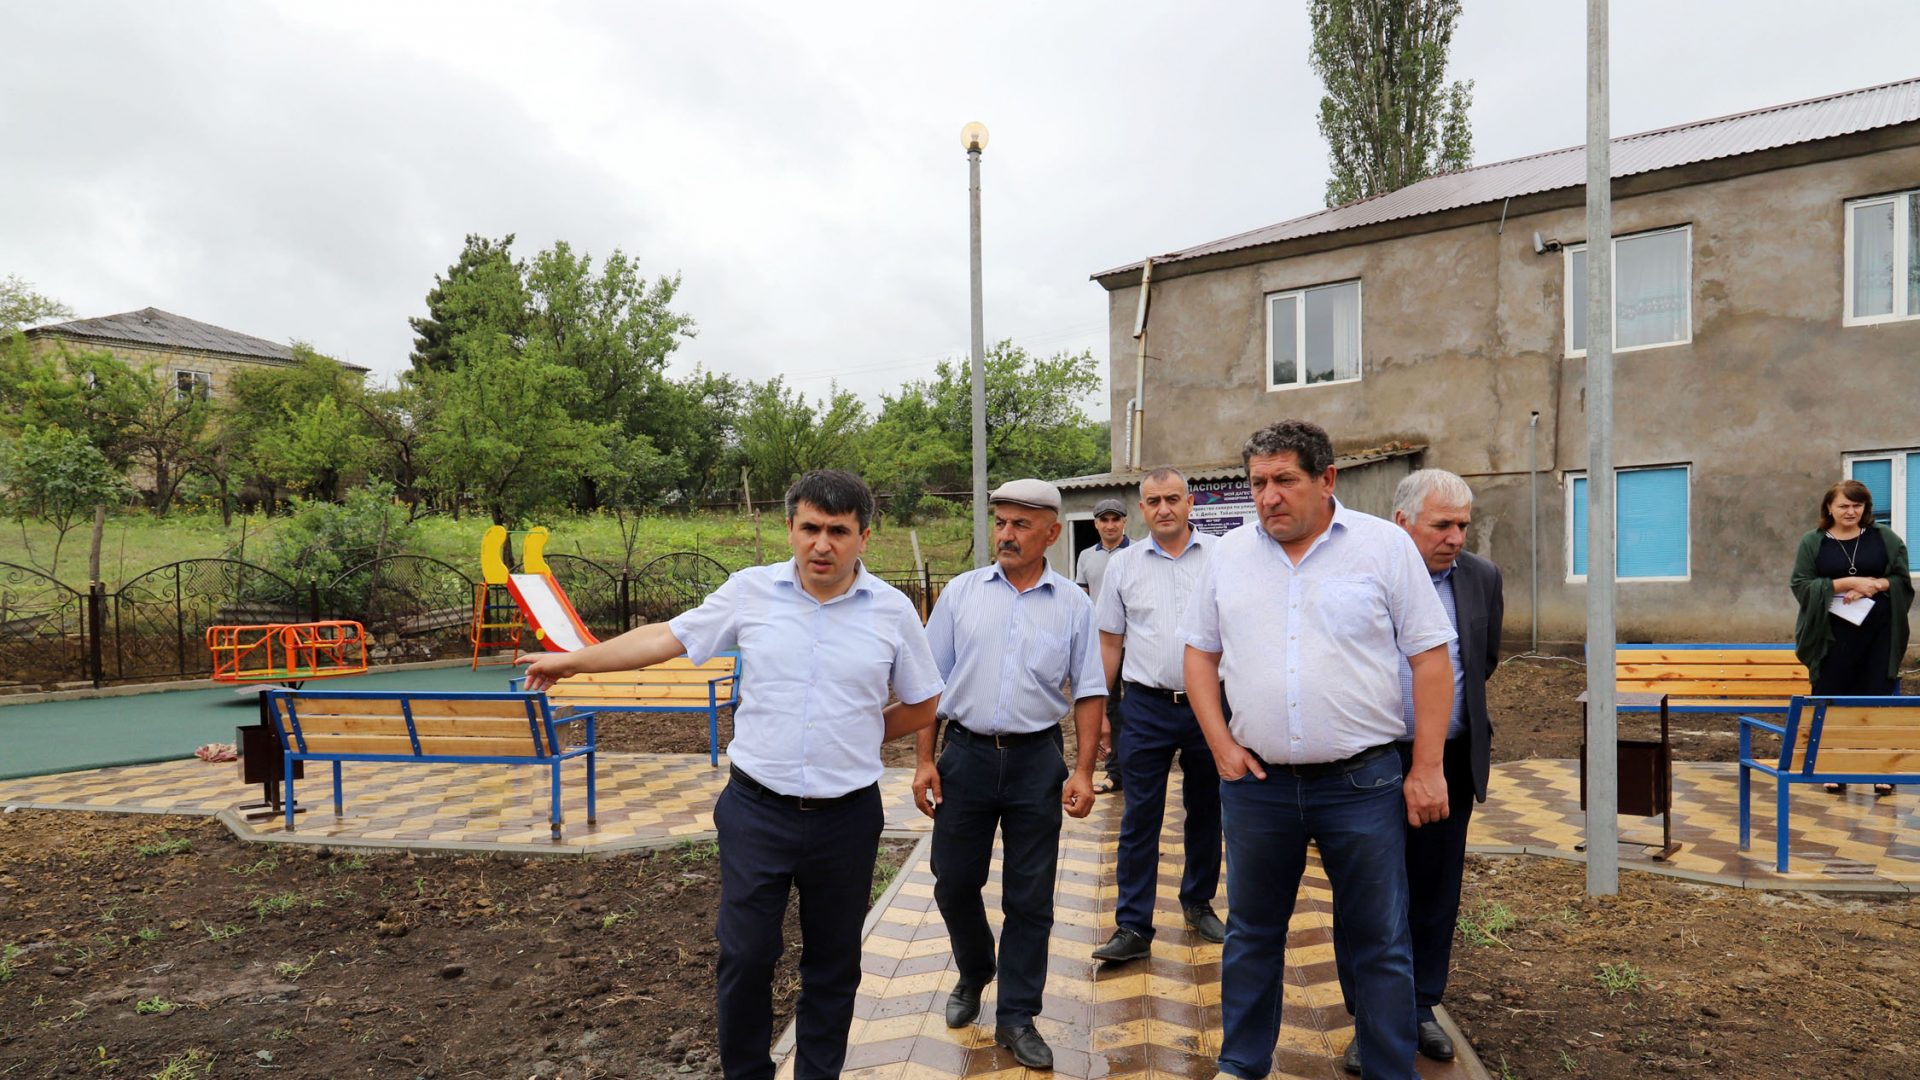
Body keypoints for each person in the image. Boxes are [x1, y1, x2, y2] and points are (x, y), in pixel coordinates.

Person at [522, 470, 943, 1080]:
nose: (821, 545)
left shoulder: (892, 610)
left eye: (838, 531)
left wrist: (852, 733)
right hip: (757, 811)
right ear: (790, 529)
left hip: (846, 818)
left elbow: (924, 701)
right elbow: (666, 638)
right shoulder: (751, 592)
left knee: (834, 963)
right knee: (745, 955)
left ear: (863, 537)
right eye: (809, 529)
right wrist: (574, 662)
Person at [1177, 419, 1456, 1080]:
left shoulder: (1384, 548)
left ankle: (1391, 1069)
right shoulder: (1227, 555)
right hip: (1258, 787)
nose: (1269, 497)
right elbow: (1198, 653)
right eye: (1258, 483)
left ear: (1326, 480)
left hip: (1362, 784)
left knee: (1380, 941)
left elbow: (1431, 659)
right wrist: (1219, 743)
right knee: (1251, 936)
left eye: (1284, 481)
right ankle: (1242, 1064)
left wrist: (1426, 767)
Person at [914, 477, 1105, 1070]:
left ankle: (1017, 1015)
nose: (1006, 534)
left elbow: (1091, 691)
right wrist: (924, 760)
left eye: (1021, 525)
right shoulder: (962, 594)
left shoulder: (1074, 604)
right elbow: (927, 685)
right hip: (965, 756)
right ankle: (975, 968)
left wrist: (1083, 771)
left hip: (1035, 762)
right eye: (1001, 522)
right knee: (952, 880)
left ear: (1051, 532)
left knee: (1031, 896)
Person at [1336, 469, 1504, 1074]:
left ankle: (1420, 1006)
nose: (1456, 537)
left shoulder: (1482, 578)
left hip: (1450, 760)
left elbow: (1478, 665)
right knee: (1371, 891)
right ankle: (1371, 1019)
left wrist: (1436, 741)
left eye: (1463, 524)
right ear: (1402, 521)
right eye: (1443, 525)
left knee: (1435, 889)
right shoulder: (1362, 572)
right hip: (1372, 758)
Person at [1089, 467, 1225, 965]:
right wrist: (1102, 710)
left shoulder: (1222, 559)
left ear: (1190, 503)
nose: (1164, 508)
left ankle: (1198, 903)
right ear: (1141, 510)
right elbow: (1109, 641)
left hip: (1211, 703)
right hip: (1143, 705)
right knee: (1139, 816)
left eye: (1173, 498)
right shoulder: (1123, 567)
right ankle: (1133, 925)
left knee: (1207, 808)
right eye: (1153, 501)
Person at [1789, 479, 1913, 796]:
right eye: (1843, 505)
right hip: (1832, 634)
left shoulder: (1884, 538)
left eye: (1857, 505)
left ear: (1866, 509)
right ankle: (1834, 768)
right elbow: (1801, 585)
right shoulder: (1813, 542)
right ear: (1829, 507)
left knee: (1878, 696)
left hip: (1879, 633)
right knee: (1832, 696)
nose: (1850, 511)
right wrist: (1843, 584)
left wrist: (1875, 586)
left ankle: (1882, 770)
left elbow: (1900, 579)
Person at [1077, 497, 1131, 795]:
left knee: (1135, 708)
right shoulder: (1086, 557)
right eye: (1104, 520)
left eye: (1116, 519)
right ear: (1096, 523)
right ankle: (1115, 772)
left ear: (1125, 522)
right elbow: (1084, 602)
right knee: (1106, 707)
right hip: (1102, 645)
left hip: (1133, 645)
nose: (1110, 525)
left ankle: (1136, 769)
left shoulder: (1137, 552)